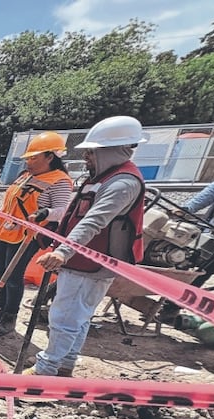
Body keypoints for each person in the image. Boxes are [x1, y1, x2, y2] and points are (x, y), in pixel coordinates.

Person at [25, 116, 148, 377]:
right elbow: (75, 212)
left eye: (92, 152)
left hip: (89, 264)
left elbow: (93, 221)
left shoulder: (122, 183)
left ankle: (45, 371)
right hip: (84, 262)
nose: (87, 158)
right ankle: (65, 364)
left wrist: (62, 252)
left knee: (64, 316)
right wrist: (50, 219)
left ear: (113, 150)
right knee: (79, 316)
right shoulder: (104, 178)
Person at [0, 132, 75, 336]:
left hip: (28, 236)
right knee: (2, 272)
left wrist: (45, 213)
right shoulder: (26, 176)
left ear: (50, 157)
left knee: (14, 276)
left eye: (34, 158)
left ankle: (10, 317)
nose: (29, 162)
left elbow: (62, 210)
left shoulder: (60, 181)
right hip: (7, 230)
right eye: (28, 158)